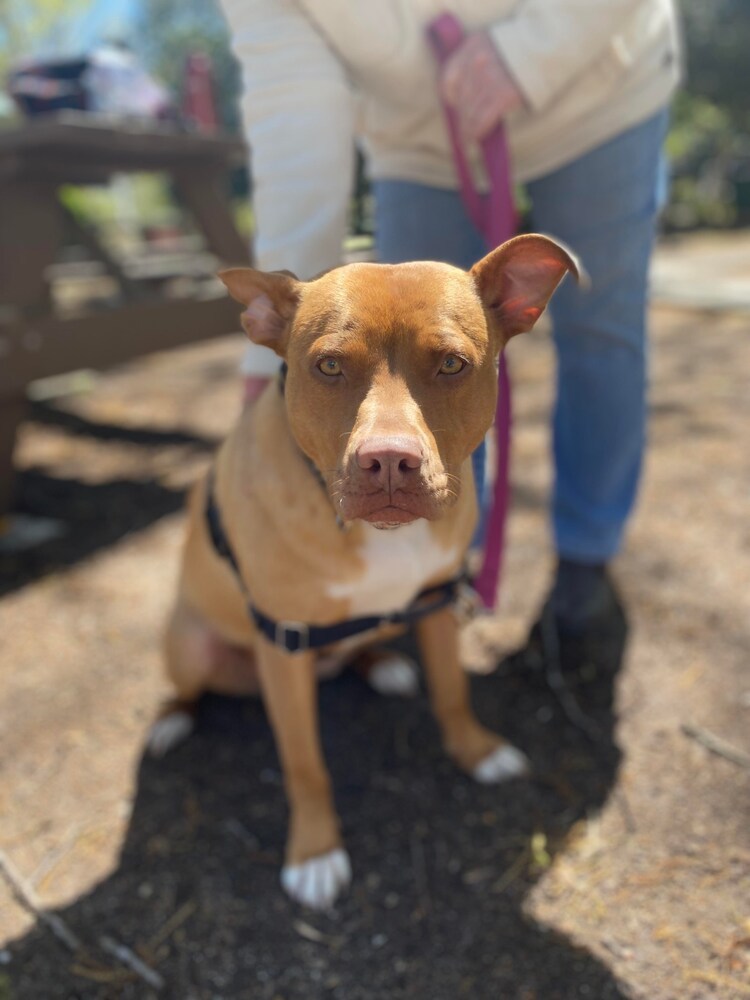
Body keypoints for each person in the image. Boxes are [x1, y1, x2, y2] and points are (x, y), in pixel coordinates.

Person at [218, 0, 681, 641]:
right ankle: (441, 570)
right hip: (417, 141)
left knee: (603, 329)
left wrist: (532, 51)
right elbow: (292, 114)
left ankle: (587, 554)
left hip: (599, 88)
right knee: (401, 351)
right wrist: (279, 341)